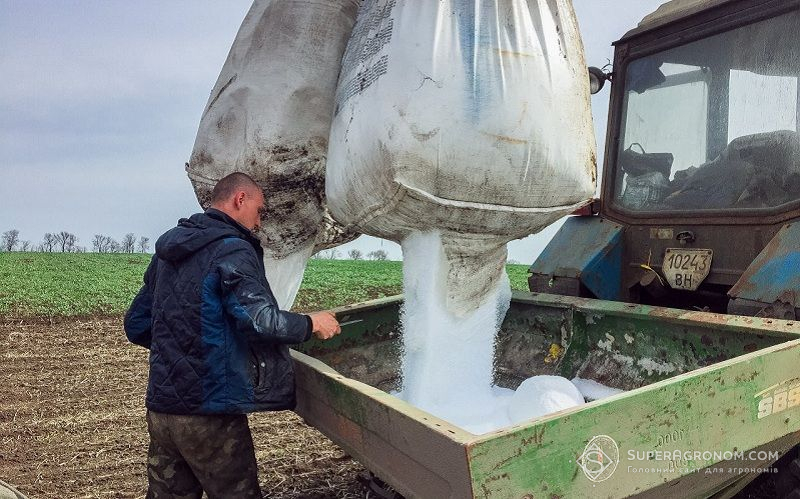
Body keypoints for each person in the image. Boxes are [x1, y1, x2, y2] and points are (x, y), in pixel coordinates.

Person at [124, 172, 341, 498]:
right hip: (209, 413)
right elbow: (261, 321)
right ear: (240, 199)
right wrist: (312, 323)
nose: (259, 221)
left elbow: (137, 323)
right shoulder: (232, 251)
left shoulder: (169, 250)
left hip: (162, 410)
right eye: (259, 210)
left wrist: (182, 349)